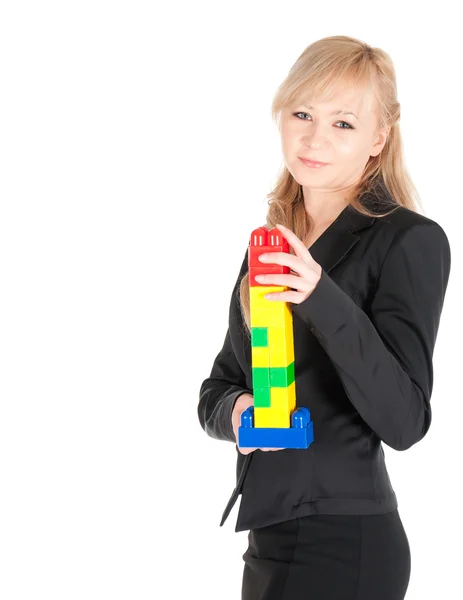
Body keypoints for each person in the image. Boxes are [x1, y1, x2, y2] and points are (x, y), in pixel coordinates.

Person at [197, 35, 451, 600]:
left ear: (377, 139)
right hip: (269, 539)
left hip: (345, 543)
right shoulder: (269, 248)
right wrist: (237, 412)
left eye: (344, 123)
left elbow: (405, 421)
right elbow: (216, 387)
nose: (314, 137)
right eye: (302, 113)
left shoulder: (410, 241)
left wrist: (320, 295)